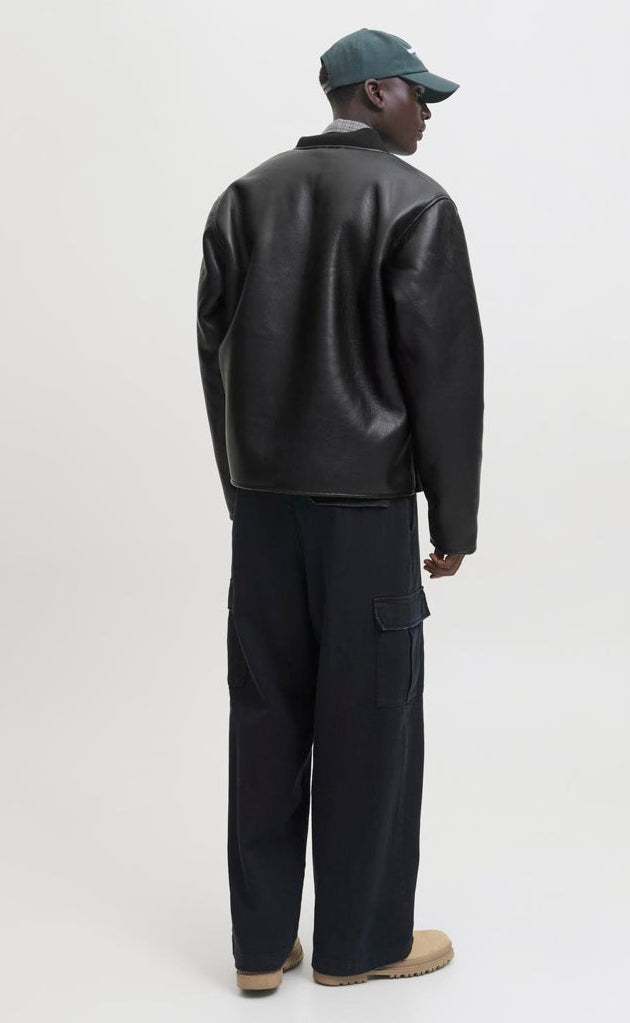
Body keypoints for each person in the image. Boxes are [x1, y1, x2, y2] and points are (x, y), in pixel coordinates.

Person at [196, 27, 485, 991]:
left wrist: (241, 488)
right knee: (370, 722)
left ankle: (259, 949)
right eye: (417, 94)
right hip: (364, 513)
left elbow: (214, 359)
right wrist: (453, 521)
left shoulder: (244, 197)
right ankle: (362, 946)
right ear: (372, 94)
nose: (427, 111)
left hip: (264, 509)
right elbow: (446, 375)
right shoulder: (415, 203)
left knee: (265, 715)